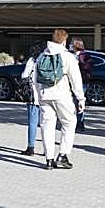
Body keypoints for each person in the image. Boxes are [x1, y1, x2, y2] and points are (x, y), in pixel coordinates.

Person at [35, 29, 86, 170]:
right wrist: (81, 98)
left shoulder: (41, 56)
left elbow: (36, 79)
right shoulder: (67, 56)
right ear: (64, 41)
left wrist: (39, 95)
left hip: (45, 96)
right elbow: (75, 79)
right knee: (69, 123)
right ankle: (62, 155)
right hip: (62, 96)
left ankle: (48, 159)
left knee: (47, 127)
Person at [19, 48, 44, 156]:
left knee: (33, 123)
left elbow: (24, 75)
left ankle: (31, 147)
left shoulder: (33, 60)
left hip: (34, 96)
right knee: (47, 124)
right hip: (49, 96)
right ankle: (47, 149)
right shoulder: (50, 59)